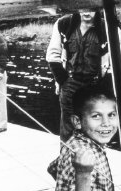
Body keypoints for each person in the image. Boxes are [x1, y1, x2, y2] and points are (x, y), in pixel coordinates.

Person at [46, 10, 112, 142]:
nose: (86, 12)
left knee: (94, 128)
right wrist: (63, 80)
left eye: (91, 7)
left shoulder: (107, 27)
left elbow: (117, 62)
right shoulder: (63, 24)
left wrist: (104, 86)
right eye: (82, 6)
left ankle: (93, 160)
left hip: (94, 86)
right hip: (70, 83)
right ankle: (67, 160)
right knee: (68, 129)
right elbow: (52, 55)